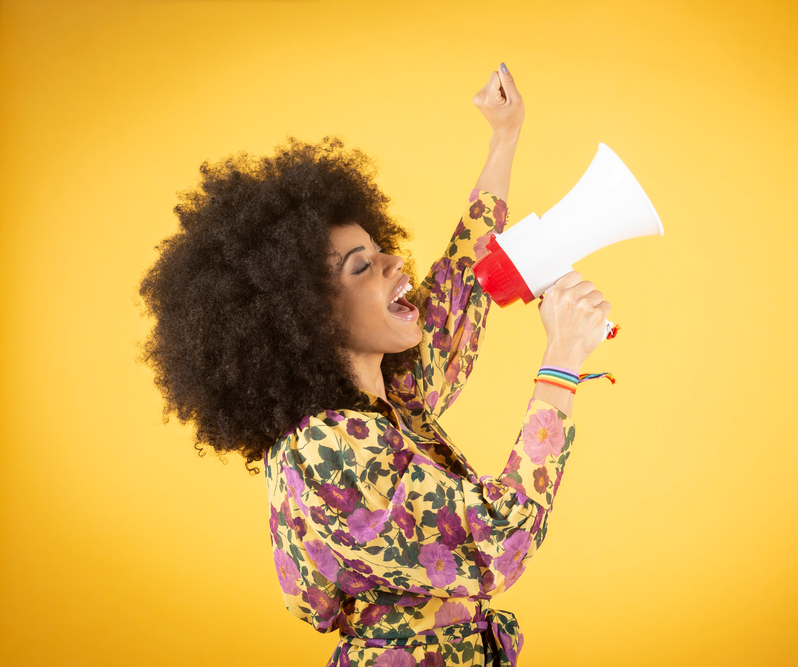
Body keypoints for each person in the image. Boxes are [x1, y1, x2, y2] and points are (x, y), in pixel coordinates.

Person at [139, 63, 611, 667]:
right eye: (360, 267)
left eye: (379, 248)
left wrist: (505, 136)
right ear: (307, 320)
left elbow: (463, 283)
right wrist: (562, 362)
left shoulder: (390, 401)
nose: (394, 263)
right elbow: (497, 543)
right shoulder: (326, 447)